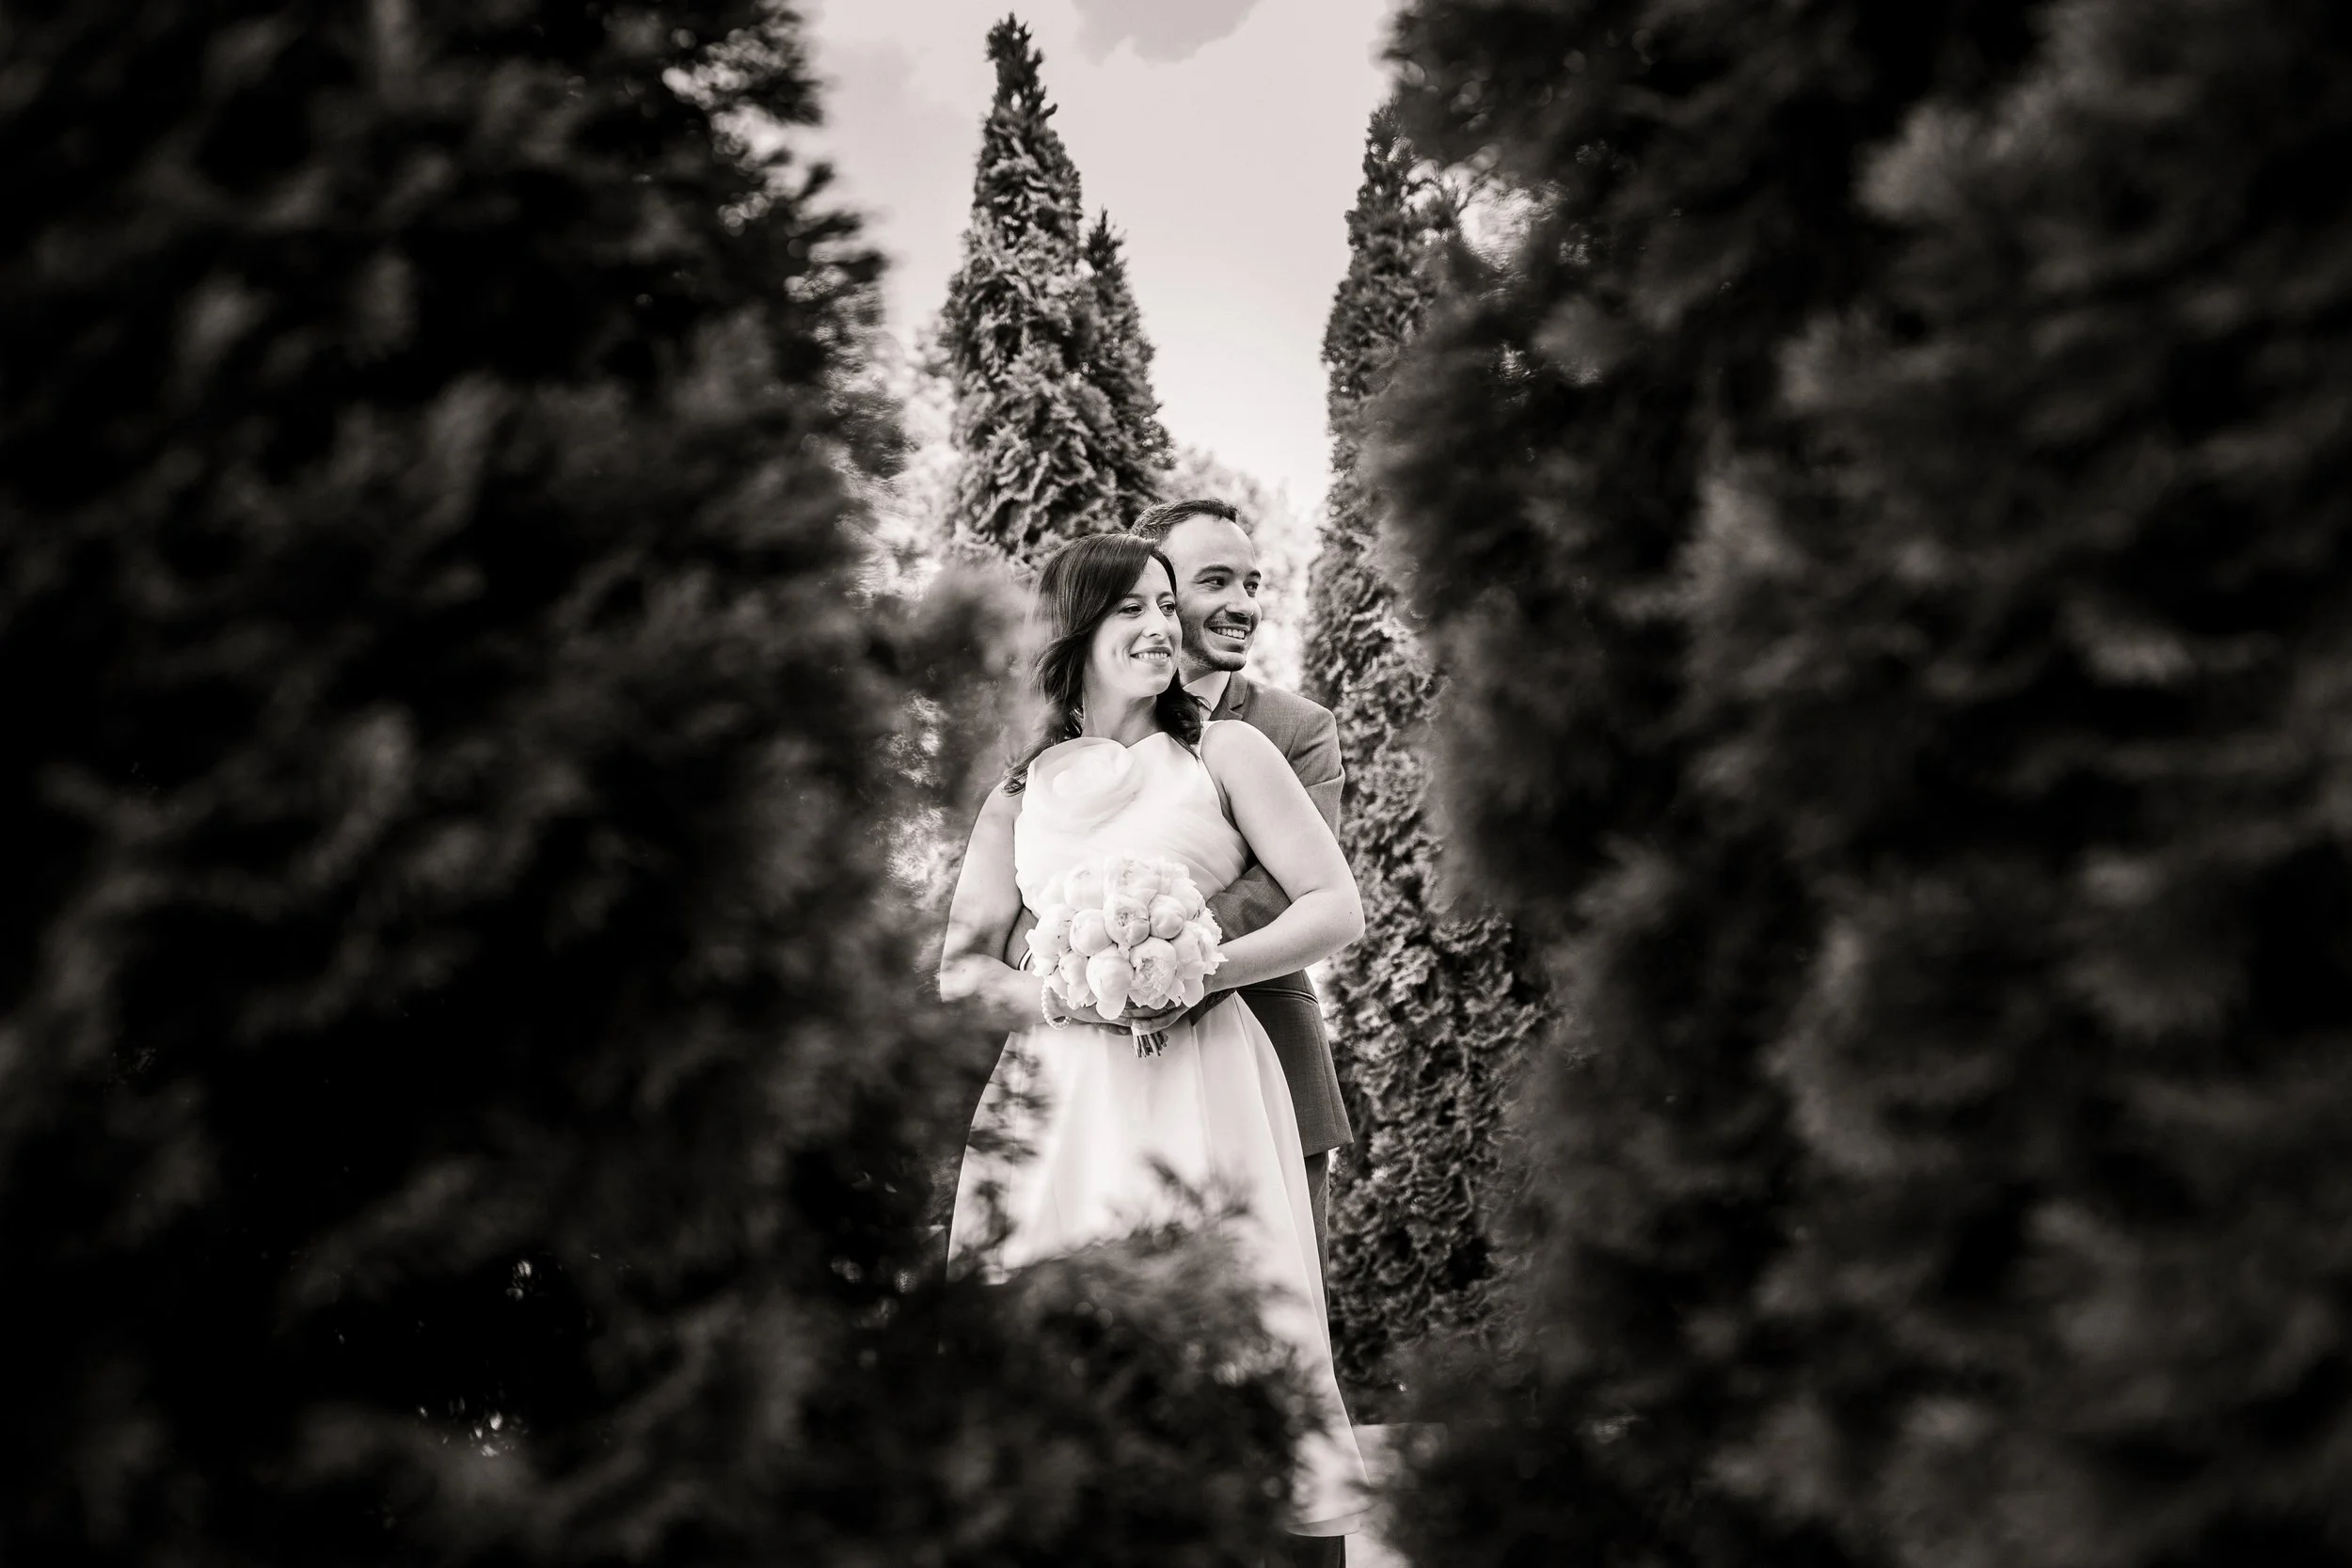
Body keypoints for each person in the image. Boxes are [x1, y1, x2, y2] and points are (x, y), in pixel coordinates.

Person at [940, 532, 1369, 1551]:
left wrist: (1199, 971)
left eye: (1166, 606)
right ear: (1077, 629)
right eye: (1134, 607)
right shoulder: (1017, 790)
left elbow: (1333, 905)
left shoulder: (1226, 750)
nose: (1162, 625)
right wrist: (1066, 997)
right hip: (1059, 1102)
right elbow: (961, 967)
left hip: (1208, 1074)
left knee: (1242, 1332)